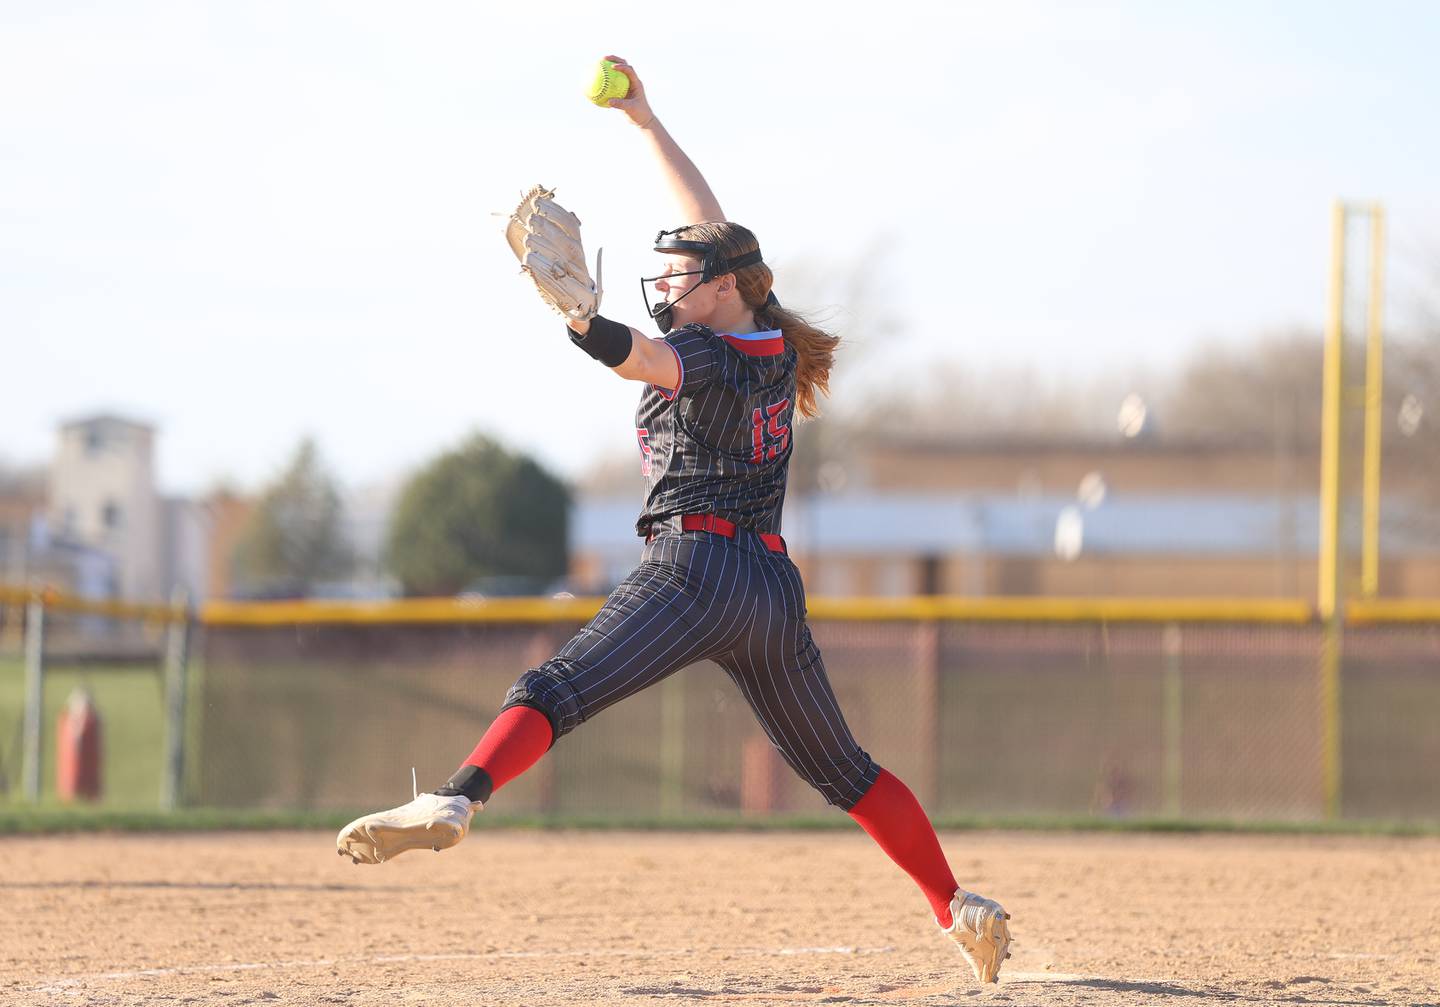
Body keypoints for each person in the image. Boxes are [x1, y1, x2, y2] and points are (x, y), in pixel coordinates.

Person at [336, 56, 1013, 985]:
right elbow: (708, 228)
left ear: (726, 284)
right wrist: (644, 122)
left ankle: (456, 800)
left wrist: (583, 323)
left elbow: (642, 359)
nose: (665, 282)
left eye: (678, 273)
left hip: (696, 569)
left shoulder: (703, 343)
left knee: (555, 685)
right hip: (769, 588)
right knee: (849, 772)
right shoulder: (763, 335)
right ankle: (956, 903)